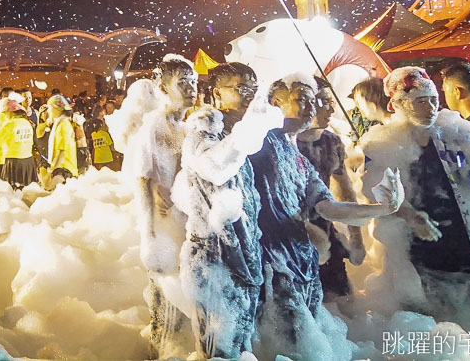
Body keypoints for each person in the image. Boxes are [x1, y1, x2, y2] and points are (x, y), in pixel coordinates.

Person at [253, 74, 403, 360]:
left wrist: (379, 210)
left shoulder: (300, 151)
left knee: (316, 322)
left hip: (305, 252)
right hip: (269, 259)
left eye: (315, 100)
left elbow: (328, 203)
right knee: (283, 336)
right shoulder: (256, 145)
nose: (313, 107)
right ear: (275, 104)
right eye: (303, 100)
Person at [362, 66, 470, 334]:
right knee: (441, 323)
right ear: (399, 104)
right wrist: (409, 215)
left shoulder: (455, 130)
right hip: (423, 248)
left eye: (433, 100)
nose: (429, 107)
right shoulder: (383, 143)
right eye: (420, 101)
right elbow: (376, 192)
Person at [174, 61, 276, 361]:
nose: (249, 95)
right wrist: (251, 130)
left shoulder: (238, 133)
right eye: (241, 89)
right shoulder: (203, 129)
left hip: (244, 252)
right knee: (219, 347)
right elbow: (215, 168)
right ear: (217, 94)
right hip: (212, 256)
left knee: (241, 341)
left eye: (253, 90)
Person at [128, 55, 199, 359]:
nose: (191, 88)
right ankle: (159, 354)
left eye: (194, 82)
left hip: (188, 227)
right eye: (182, 82)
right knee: (167, 313)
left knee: (187, 307)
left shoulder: (187, 127)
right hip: (166, 231)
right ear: (163, 87)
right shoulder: (153, 128)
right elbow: (142, 183)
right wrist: (149, 236)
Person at [297, 80, 366, 301]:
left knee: (343, 300)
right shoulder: (283, 142)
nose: (331, 108)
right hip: (290, 236)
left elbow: (344, 189)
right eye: (324, 102)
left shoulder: (331, 141)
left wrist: (356, 238)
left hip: (325, 228)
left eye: (330, 101)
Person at [0, 92, 36, 189]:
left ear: (10, 111)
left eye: (5, 113)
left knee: (12, 190)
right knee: (26, 189)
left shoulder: (10, 124)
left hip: (14, 161)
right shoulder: (26, 122)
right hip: (28, 161)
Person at [45, 95, 78, 184]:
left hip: (64, 170)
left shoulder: (62, 125)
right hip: (66, 169)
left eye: (49, 107)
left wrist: (50, 171)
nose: (48, 111)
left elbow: (61, 152)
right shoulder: (64, 123)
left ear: (57, 108)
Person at [348, 76, 391, 142]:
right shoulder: (397, 124)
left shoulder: (386, 136)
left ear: (372, 105)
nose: (358, 106)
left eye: (359, 102)